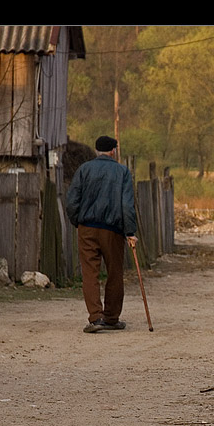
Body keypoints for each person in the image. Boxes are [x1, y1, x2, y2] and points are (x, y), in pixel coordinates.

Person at [66, 136, 139, 333]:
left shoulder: (84, 169)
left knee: (90, 272)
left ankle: (96, 317)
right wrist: (130, 232)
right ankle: (112, 318)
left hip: (87, 227)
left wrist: (78, 222)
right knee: (115, 272)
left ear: (97, 150)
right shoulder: (122, 171)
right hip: (112, 230)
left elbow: (72, 200)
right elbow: (126, 205)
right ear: (113, 151)